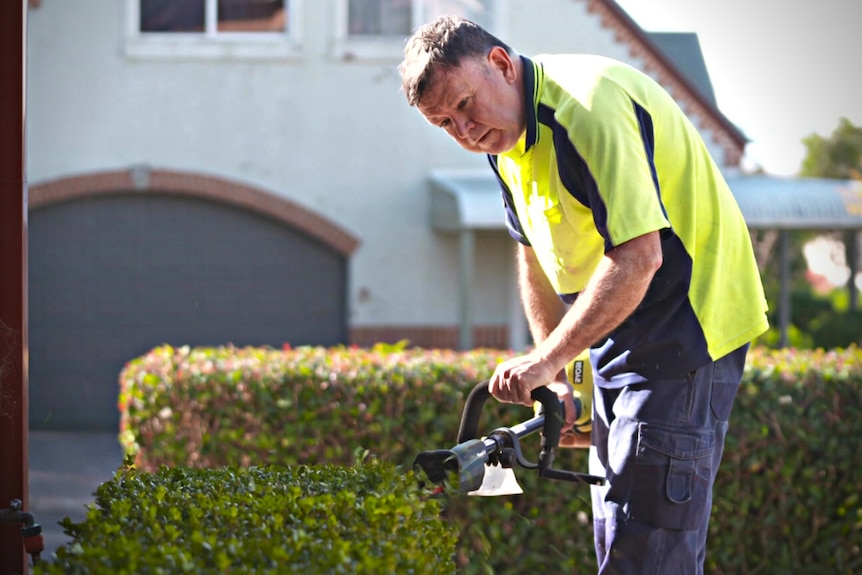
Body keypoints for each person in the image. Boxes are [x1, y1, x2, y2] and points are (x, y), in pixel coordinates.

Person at [398, 15, 769, 574]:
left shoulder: (588, 109)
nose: (464, 131)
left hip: (687, 327)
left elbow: (639, 256)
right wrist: (564, 376)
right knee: (616, 530)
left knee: (646, 552)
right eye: (444, 123)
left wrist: (548, 359)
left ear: (500, 64)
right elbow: (537, 257)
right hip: (620, 332)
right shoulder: (506, 142)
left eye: (465, 105)